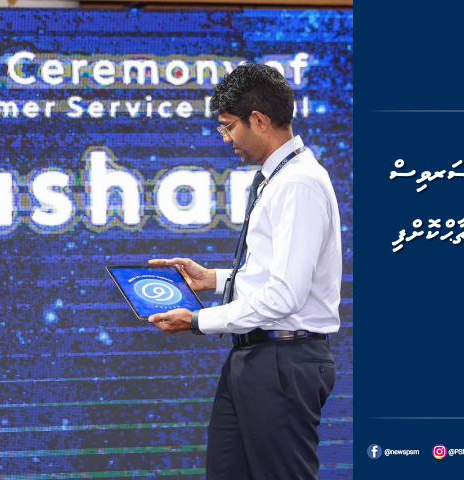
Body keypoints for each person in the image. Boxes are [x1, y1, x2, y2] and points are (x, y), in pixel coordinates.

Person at [146, 63, 342, 480]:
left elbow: (286, 296)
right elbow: (272, 273)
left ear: (259, 120)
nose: (225, 137)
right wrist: (214, 279)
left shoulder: (298, 183)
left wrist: (197, 320)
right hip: (255, 358)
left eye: (229, 126)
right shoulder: (279, 178)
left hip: (283, 360)